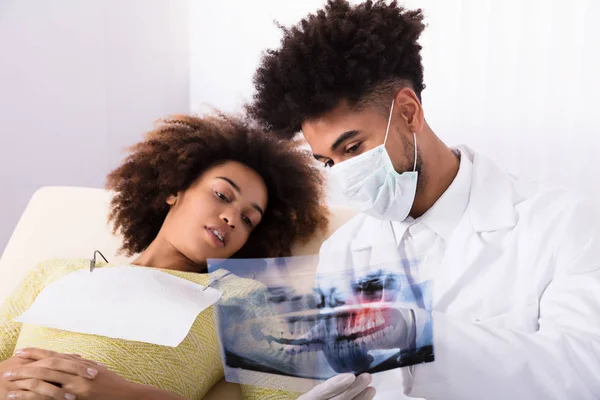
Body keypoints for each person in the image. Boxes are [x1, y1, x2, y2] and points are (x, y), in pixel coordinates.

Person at [246, 0, 600, 399]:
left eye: (353, 148)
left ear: (409, 113)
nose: (344, 173)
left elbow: (586, 369)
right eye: (329, 161)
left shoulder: (563, 222)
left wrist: (420, 332)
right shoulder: (343, 252)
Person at [0, 113, 374, 400]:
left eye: (248, 219)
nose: (231, 218)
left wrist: (125, 394)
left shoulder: (242, 299)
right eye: (222, 196)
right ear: (174, 191)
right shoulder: (56, 271)